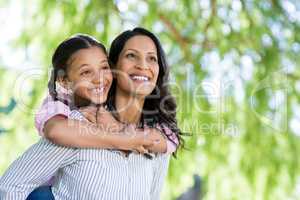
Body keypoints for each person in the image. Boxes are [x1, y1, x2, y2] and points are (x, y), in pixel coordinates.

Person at [0, 28, 183, 199]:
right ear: (115, 67)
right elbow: (10, 187)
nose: (143, 65)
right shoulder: (77, 124)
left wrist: (124, 132)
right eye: (131, 56)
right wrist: (124, 139)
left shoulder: (157, 143)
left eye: (152, 58)